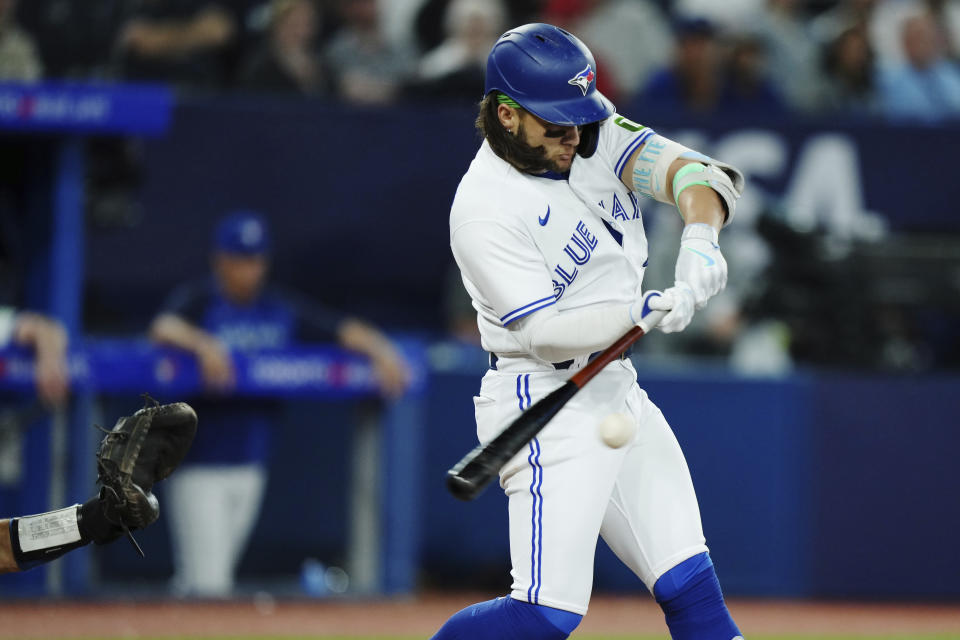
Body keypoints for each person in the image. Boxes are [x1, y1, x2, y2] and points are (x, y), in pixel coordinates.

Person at [433, 23, 745, 640]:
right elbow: (547, 333)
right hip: (544, 400)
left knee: (694, 593)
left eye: (577, 117)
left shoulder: (591, 133)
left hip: (615, 386)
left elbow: (700, 174)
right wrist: (642, 311)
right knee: (544, 614)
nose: (572, 136)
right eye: (554, 123)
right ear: (506, 115)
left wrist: (700, 239)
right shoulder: (483, 208)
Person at [149, 210, 409, 597]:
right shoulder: (201, 302)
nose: (249, 269)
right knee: (209, 583)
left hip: (251, 462)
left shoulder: (277, 307)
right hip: (197, 462)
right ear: (221, 260)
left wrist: (383, 350)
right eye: (240, 259)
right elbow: (162, 327)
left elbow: (339, 330)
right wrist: (203, 344)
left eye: (256, 259)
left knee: (202, 579)